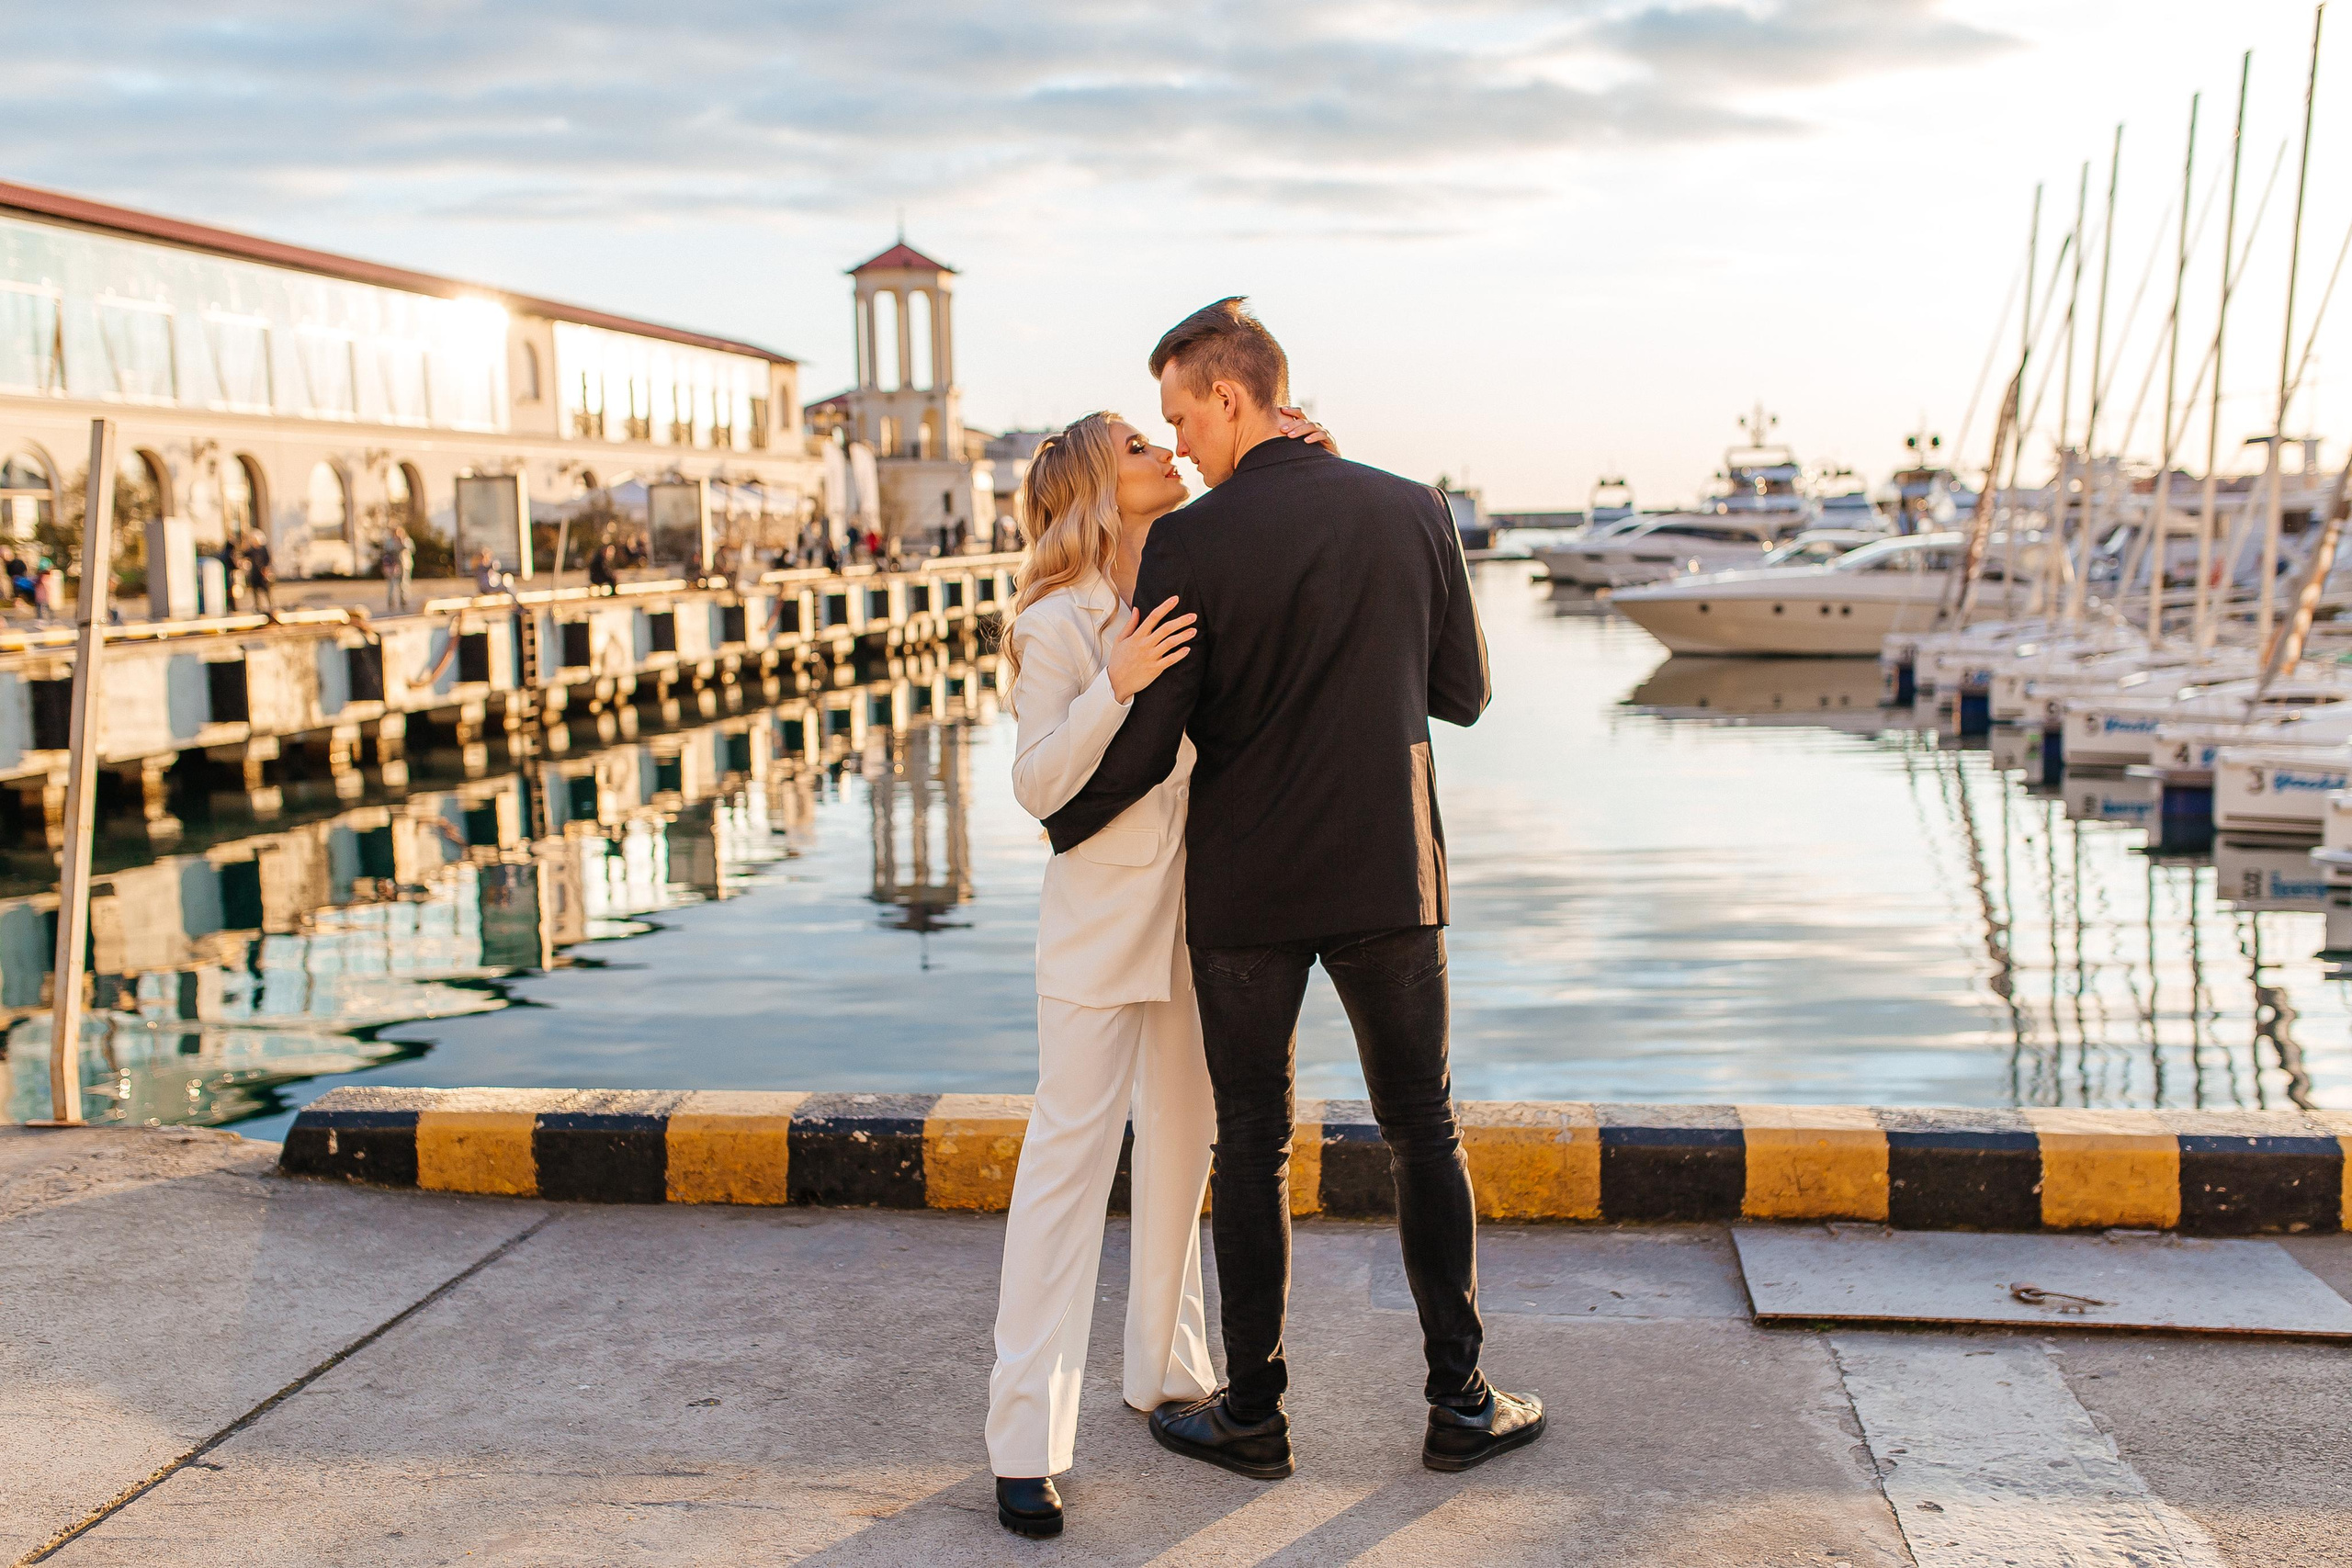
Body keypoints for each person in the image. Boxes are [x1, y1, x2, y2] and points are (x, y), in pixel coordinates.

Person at [1045, 299, 1540, 1491]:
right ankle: (1459, 1402)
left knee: (1253, 1143)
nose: (1182, 444)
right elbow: (1464, 694)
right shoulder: (1411, 506)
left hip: (1247, 884)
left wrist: (1067, 817)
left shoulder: (1193, 546)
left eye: (1181, 415)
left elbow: (1154, 739)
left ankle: (1254, 1416)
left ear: (1229, 394)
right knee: (1423, 1125)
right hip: (1385, 867)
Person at [988, 403, 1339, 1542]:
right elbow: (1039, 785)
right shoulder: (1056, 621)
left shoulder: (1195, 574)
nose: (1168, 453)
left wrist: (1311, 460)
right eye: (1142, 446)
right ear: (1101, 480)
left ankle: (1166, 1371)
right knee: (1065, 1175)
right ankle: (1024, 1444)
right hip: (1098, 924)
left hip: (1205, 914)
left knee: (1187, 1155)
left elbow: (1287, 540)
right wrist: (1115, 679)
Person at [381, 526, 414, 613]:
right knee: (391, 584)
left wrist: (402, 542)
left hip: (404, 564)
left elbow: (411, 549)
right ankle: (391, 602)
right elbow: (386, 552)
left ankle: (404, 601)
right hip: (393, 565)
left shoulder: (406, 540)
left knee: (404, 583)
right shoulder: (390, 541)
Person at [243, 531, 275, 616]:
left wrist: (266, 569)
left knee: (266, 590)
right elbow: (244, 554)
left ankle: (270, 605)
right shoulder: (251, 550)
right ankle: (258, 606)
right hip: (255, 573)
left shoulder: (263, 549)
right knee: (255, 591)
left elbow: (267, 559)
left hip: (262, 572)